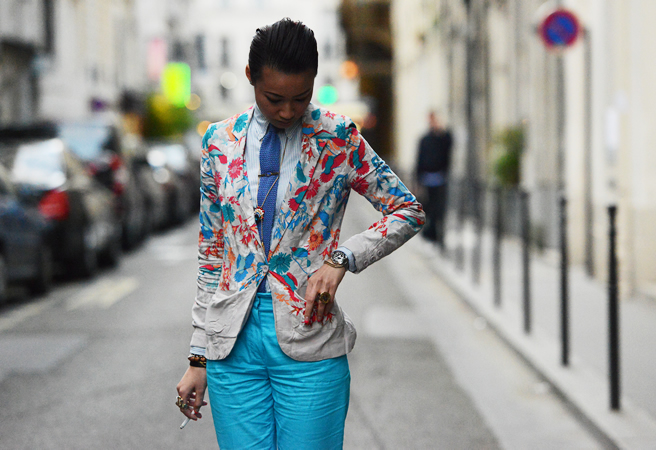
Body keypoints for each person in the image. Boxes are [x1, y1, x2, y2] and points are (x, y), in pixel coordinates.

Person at [176, 18, 425, 449]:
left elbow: (408, 210)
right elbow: (212, 253)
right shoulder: (218, 142)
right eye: (274, 98)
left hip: (310, 341)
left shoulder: (339, 138)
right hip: (231, 349)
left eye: (301, 97)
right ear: (251, 77)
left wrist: (343, 258)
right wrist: (199, 355)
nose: (288, 111)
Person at [415, 111, 452, 247]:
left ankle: (437, 235)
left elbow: (449, 145)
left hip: (440, 178)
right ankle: (430, 234)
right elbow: (419, 159)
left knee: (439, 209)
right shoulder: (425, 139)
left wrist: (442, 130)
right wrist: (417, 180)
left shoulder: (443, 137)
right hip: (427, 179)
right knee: (428, 208)